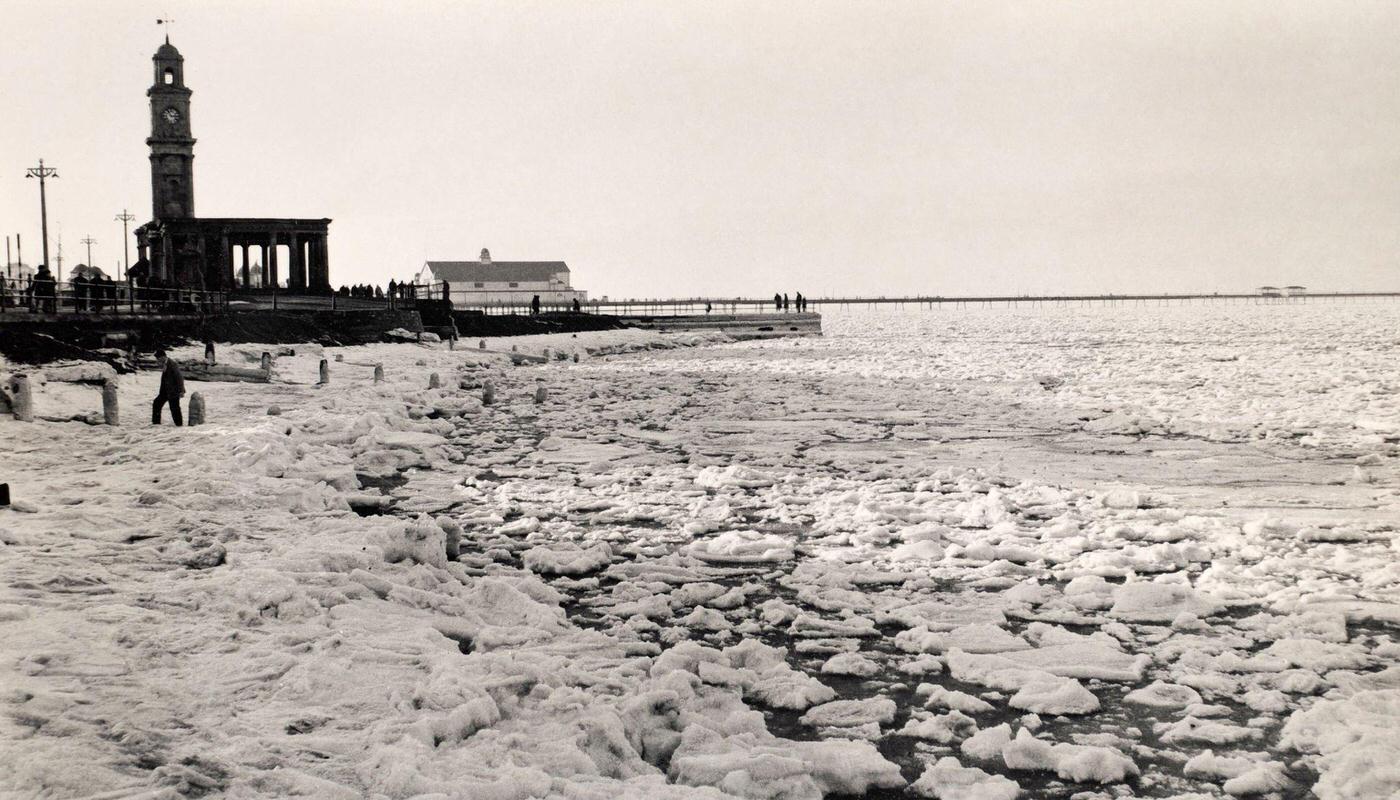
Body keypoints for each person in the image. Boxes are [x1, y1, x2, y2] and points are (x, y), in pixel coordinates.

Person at [152, 348, 185, 426]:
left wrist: (181, 391)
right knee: (156, 403)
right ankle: (156, 424)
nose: (157, 360)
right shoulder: (165, 363)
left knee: (175, 409)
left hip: (173, 391)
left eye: (158, 358)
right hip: (165, 391)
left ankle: (179, 425)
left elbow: (179, 378)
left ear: (163, 356)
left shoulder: (172, 364)